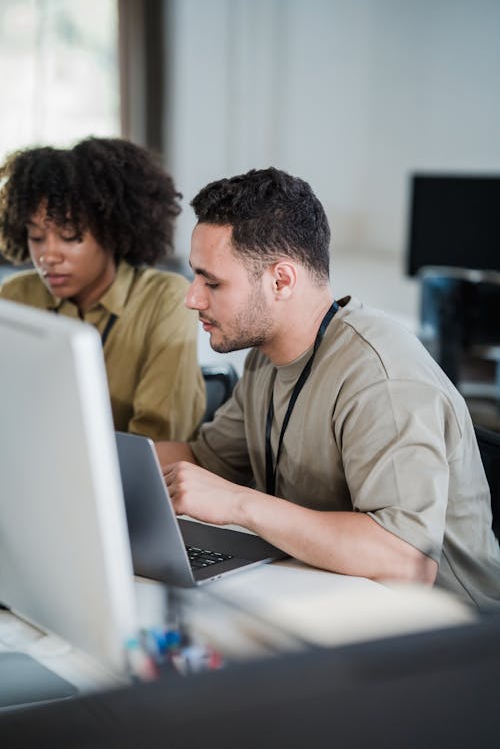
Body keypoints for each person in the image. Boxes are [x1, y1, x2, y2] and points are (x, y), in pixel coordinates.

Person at [155, 166, 500, 611]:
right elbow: (203, 461)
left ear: (281, 280)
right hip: (339, 600)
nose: (192, 298)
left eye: (212, 282)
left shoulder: (381, 377)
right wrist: (91, 459)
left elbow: (406, 561)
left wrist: (240, 504)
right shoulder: (267, 355)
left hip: (452, 634)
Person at [0, 137, 205, 441]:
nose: (48, 256)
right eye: (37, 237)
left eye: (70, 236)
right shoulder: (16, 296)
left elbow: (157, 443)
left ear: (112, 231)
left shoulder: (165, 299)